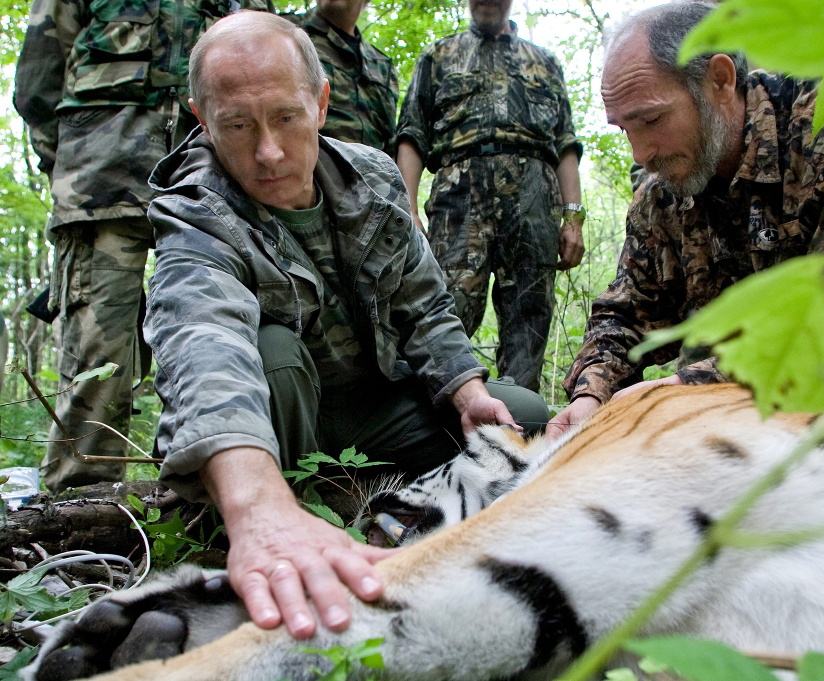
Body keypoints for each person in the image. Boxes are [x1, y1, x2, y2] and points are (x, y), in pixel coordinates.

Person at [144, 11, 548, 639]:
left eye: (285, 117)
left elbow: (425, 307)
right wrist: (255, 506)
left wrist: (468, 391)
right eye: (237, 126)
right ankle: (285, 515)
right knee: (271, 350)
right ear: (203, 120)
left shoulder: (375, 178)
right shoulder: (195, 212)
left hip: (372, 405)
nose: (269, 151)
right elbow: (203, 345)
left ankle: (357, 495)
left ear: (321, 102)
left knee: (523, 415)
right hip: (275, 424)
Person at [547, 1, 824, 439]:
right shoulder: (662, 194)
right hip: (731, 435)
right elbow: (626, 311)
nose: (641, 154)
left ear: (719, 80)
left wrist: (686, 390)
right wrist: (591, 398)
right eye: (624, 129)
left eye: (652, 120)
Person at [13, 0, 274, 492]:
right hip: (103, 183)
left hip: (215, 190)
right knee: (99, 356)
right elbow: (38, 83)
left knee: (224, 338)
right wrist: (73, 165)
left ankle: (200, 498)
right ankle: (77, 510)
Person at [395, 0, 585, 393]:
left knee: (529, 314)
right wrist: (407, 208)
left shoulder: (544, 62)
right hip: (459, 194)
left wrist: (573, 217)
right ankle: (438, 420)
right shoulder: (438, 55)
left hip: (535, 194)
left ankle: (521, 423)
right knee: (446, 306)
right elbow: (412, 135)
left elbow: (566, 143)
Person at [283, 0, 398, 155]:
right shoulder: (284, 34)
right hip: (310, 172)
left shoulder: (382, 65)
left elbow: (390, 143)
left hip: (370, 176)